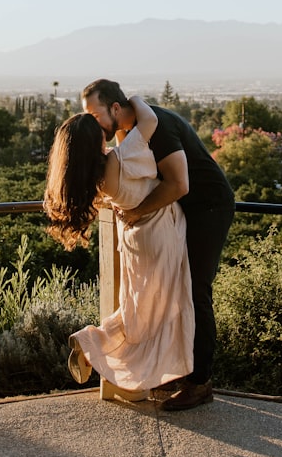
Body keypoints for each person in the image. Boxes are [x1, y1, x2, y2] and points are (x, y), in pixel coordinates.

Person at [82, 79, 235, 411]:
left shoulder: (160, 126)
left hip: (207, 208)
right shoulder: (130, 129)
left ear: (116, 108)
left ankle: (200, 384)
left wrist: (135, 211)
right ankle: (171, 370)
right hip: (179, 214)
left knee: (195, 290)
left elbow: (179, 184)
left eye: (95, 116)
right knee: (169, 290)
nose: (94, 125)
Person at [43, 96, 195, 400]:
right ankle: (103, 349)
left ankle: (95, 345)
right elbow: (150, 122)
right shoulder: (121, 159)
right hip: (159, 234)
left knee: (137, 313)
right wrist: (132, 99)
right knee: (166, 312)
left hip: (133, 241)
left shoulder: (99, 177)